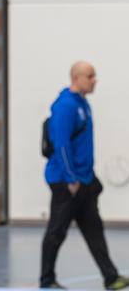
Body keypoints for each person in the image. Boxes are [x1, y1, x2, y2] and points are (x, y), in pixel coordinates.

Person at [40, 61, 129, 290]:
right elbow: (61, 145)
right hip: (66, 182)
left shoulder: (83, 104)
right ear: (77, 77)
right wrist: (71, 179)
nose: (94, 80)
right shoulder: (65, 106)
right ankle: (47, 280)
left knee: (94, 230)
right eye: (90, 76)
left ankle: (111, 277)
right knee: (57, 231)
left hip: (84, 181)